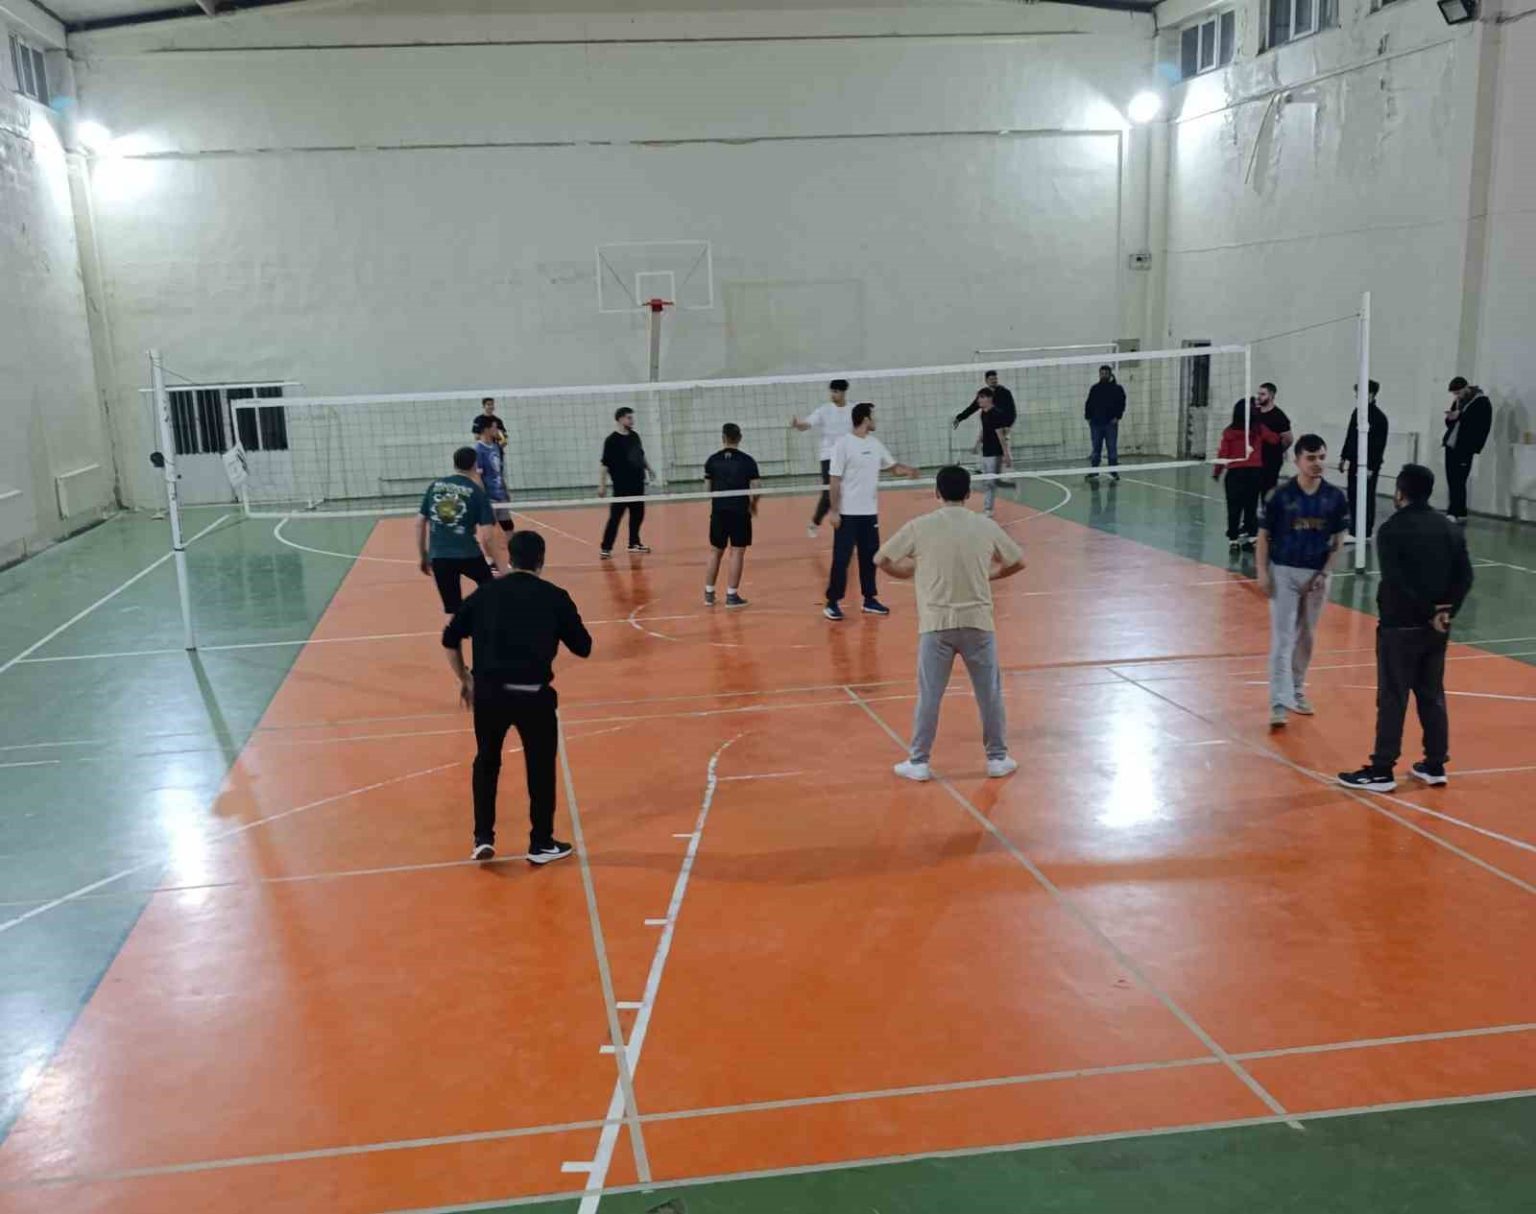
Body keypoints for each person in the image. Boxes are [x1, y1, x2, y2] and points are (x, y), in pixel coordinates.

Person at [442, 530, 592, 863]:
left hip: (489, 695)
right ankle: (541, 842)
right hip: (533, 696)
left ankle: (483, 836)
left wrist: (465, 678)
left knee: (487, 761)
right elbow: (584, 647)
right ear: (541, 560)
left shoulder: (485, 594)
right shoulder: (555, 597)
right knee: (540, 767)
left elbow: (450, 638)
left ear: (509, 558)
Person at [875, 465, 1026, 781]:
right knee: (989, 694)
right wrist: (990, 574)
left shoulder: (920, 526)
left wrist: (908, 572)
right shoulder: (985, 526)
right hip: (978, 623)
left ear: (937, 493)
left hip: (936, 624)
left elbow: (881, 559)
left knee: (930, 695)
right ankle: (997, 758)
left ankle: (919, 762)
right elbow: (1017, 561)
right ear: (969, 493)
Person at [1338, 464, 1473, 792]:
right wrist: (1445, 611)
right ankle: (1435, 764)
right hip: (1437, 629)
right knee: (1432, 694)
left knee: (1393, 697)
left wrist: (1427, 611)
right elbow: (1465, 577)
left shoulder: (1391, 530)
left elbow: (1397, 580)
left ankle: (1382, 770)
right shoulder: (1449, 529)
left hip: (1399, 626)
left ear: (1400, 492)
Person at [1256, 433, 1350, 728]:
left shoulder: (1335, 498)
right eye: (1310, 458)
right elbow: (1263, 536)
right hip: (1284, 571)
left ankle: (1296, 690)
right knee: (1283, 637)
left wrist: (1325, 573)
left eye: (1321, 457)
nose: (1317, 463)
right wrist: (1262, 572)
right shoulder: (1279, 496)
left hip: (1316, 575)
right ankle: (1278, 702)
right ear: (1296, 460)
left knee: (1306, 634)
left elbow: (1338, 540)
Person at [824, 402, 920, 621]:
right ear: (865, 419)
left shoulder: (875, 444)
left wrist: (908, 470)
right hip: (847, 514)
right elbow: (834, 479)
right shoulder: (843, 444)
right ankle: (832, 602)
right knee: (842, 559)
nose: (875, 420)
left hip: (869, 513)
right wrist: (834, 511)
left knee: (870, 558)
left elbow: (892, 467)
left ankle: (869, 599)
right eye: (873, 417)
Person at [417, 447, 508, 613]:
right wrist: (501, 567)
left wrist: (424, 556)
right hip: (469, 554)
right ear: (475, 465)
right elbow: (488, 537)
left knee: (453, 609)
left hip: (440, 557)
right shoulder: (477, 492)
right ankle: (483, 621)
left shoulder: (435, 486)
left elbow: (420, 522)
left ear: (454, 464)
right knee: (492, 593)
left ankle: (461, 624)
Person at [702, 423, 761, 608]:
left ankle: (709, 594)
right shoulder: (748, 461)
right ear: (740, 438)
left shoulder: (712, 460)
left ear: (723, 438)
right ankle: (732, 596)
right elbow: (756, 487)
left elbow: (707, 490)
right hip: (740, 511)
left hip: (719, 511)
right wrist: (753, 504)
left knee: (715, 551)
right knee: (737, 551)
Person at [789, 379, 853, 537]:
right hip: (829, 456)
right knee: (829, 492)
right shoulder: (824, 410)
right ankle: (815, 522)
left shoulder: (853, 409)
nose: (833, 394)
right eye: (832, 391)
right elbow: (807, 424)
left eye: (836, 392)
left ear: (843, 392)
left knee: (849, 492)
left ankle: (847, 525)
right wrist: (798, 425)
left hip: (849, 456)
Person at [1212, 401, 1279, 551]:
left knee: (1233, 508)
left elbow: (1223, 454)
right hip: (1254, 474)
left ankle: (1233, 541)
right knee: (1251, 507)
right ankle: (1251, 538)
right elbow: (1274, 439)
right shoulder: (1258, 429)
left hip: (1235, 475)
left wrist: (1217, 472)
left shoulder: (1229, 432)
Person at [598, 406, 658, 557]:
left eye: (632, 418)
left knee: (638, 514)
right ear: (620, 419)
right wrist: (602, 485)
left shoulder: (635, 436)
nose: (632, 421)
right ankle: (606, 548)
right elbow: (604, 464)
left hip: (637, 483)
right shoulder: (611, 440)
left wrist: (649, 469)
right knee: (615, 517)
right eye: (629, 418)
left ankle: (634, 543)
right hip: (621, 485)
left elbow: (640, 455)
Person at [951, 385, 1015, 517]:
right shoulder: (983, 413)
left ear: (989, 399)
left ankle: (988, 510)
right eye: (978, 397)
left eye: (981, 397)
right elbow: (984, 430)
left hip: (995, 452)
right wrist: (976, 445)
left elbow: (1001, 436)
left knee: (990, 482)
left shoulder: (996, 414)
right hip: (985, 451)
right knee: (987, 480)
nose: (978, 400)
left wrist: (1006, 454)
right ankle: (1005, 489)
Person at [1340, 380, 1389, 542]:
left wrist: (1371, 468)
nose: (1357, 396)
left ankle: (1365, 531)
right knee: (1353, 495)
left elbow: (1378, 446)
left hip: (1368, 465)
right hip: (1355, 461)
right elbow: (1350, 436)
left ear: (1371, 394)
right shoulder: (1357, 412)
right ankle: (1355, 529)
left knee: (1366, 496)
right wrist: (1343, 457)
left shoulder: (1379, 418)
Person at [1442, 376, 1492, 523]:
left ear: (1466, 387)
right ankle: (1460, 511)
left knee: (1459, 479)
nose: (1456, 396)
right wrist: (1450, 418)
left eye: (1458, 392)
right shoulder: (1458, 401)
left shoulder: (1481, 402)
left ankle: (1454, 512)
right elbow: (1451, 423)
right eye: (1454, 394)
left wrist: (1460, 415)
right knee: (1452, 479)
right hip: (1451, 444)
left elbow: (1480, 424)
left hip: (1465, 447)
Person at [1083, 365, 1126, 482]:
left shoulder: (1117, 389)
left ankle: (1113, 472)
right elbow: (1088, 403)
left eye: (1106, 373)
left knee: (1112, 448)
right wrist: (1088, 417)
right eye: (1102, 373)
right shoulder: (1095, 388)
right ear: (1099, 374)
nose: (1104, 376)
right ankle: (1094, 471)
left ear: (1110, 374)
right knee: (1096, 448)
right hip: (1096, 424)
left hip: (1110, 424)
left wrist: (1117, 417)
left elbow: (1122, 403)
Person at [472, 416, 514, 534]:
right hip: (489, 496)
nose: (497, 431)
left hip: (500, 494)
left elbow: (498, 471)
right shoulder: (478, 450)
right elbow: (477, 476)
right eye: (495, 428)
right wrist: (483, 497)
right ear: (486, 429)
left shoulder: (495, 447)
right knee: (491, 529)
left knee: (508, 525)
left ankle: (509, 546)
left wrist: (505, 490)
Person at [1250, 383, 1292, 500]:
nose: (1259, 397)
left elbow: (1288, 439)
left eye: (1263, 394)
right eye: (1259, 394)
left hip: (1271, 462)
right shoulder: (1254, 413)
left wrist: (1276, 450)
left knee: (1267, 492)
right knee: (1251, 492)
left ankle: (1267, 510)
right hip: (1254, 460)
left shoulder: (1279, 416)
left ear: (1271, 395)